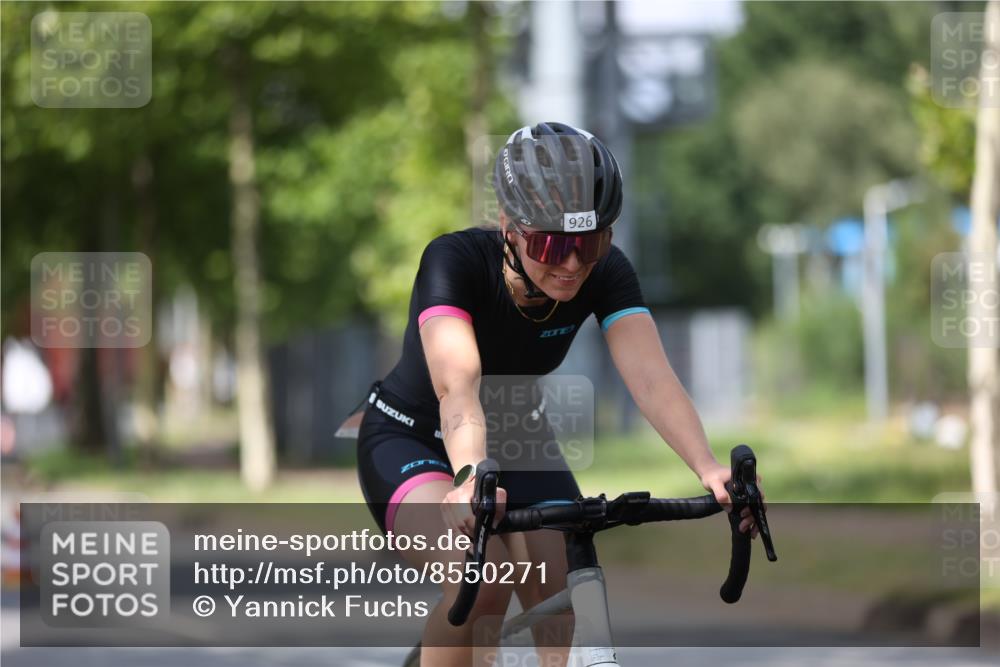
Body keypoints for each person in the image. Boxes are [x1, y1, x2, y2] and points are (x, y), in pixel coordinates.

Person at [354, 122, 762, 666]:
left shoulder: (605, 271)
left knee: (563, 611)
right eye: (552, 243)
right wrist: (471, 475)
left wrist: (709, 468)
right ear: (509, 227)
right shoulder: (453, 262)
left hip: (519, 439)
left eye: (590, 242)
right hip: (411, 441)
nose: (572, 264)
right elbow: (458, 384)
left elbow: (650, 377)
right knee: (484, 582)